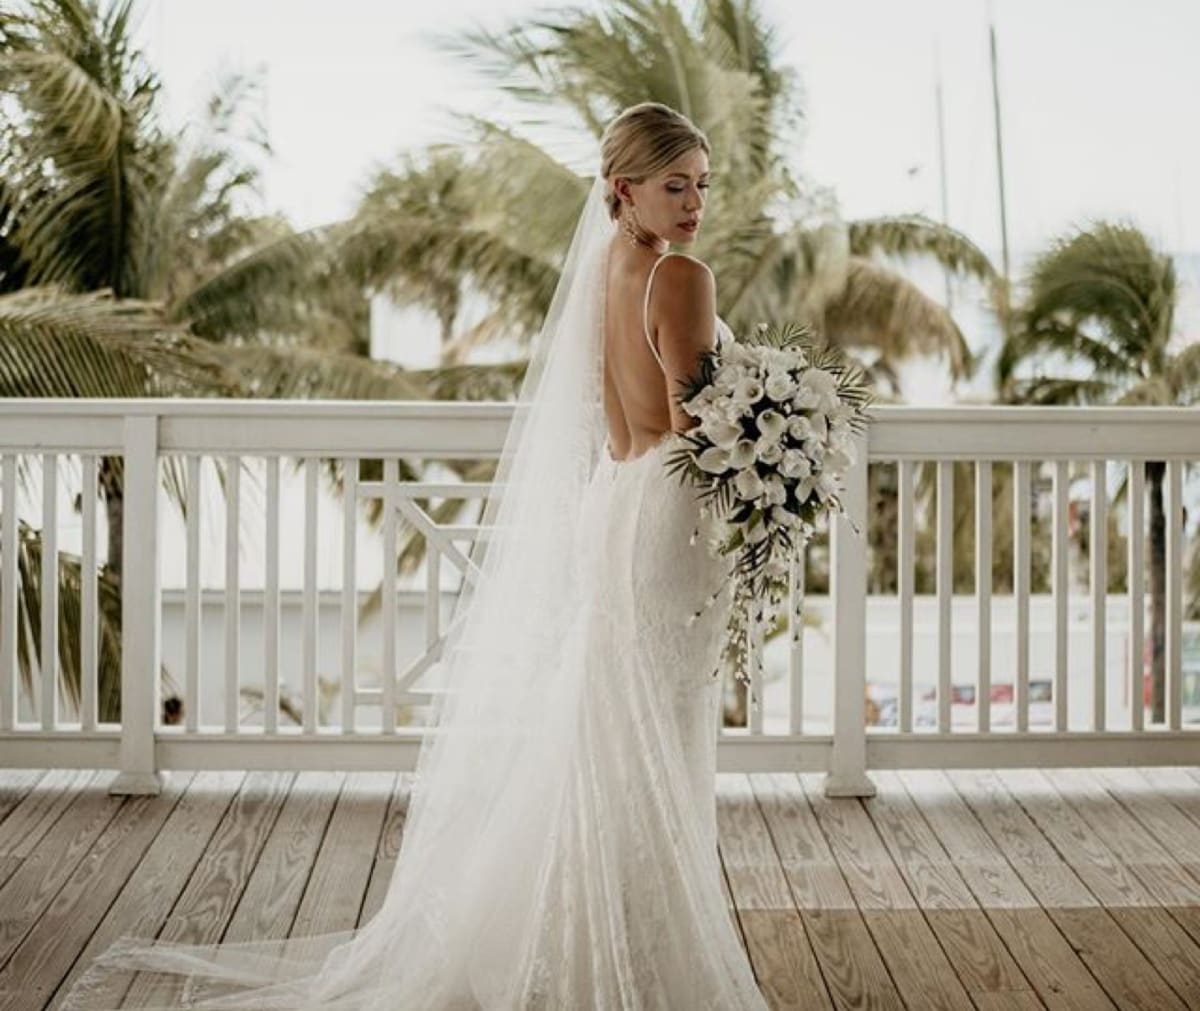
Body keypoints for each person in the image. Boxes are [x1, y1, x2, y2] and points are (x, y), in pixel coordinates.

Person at [62, 102, 768, 1010]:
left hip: (612, 505)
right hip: (666, 515)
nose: (695, 203)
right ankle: (638, 944)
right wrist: (767, 432)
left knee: (606, 718)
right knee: (658, 725)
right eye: (677, 185)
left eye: (703, 186)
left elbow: (609, 416)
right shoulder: (680, 277)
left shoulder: (603, 269)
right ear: (624, 189)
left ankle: (583, 922)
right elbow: (689, 430)